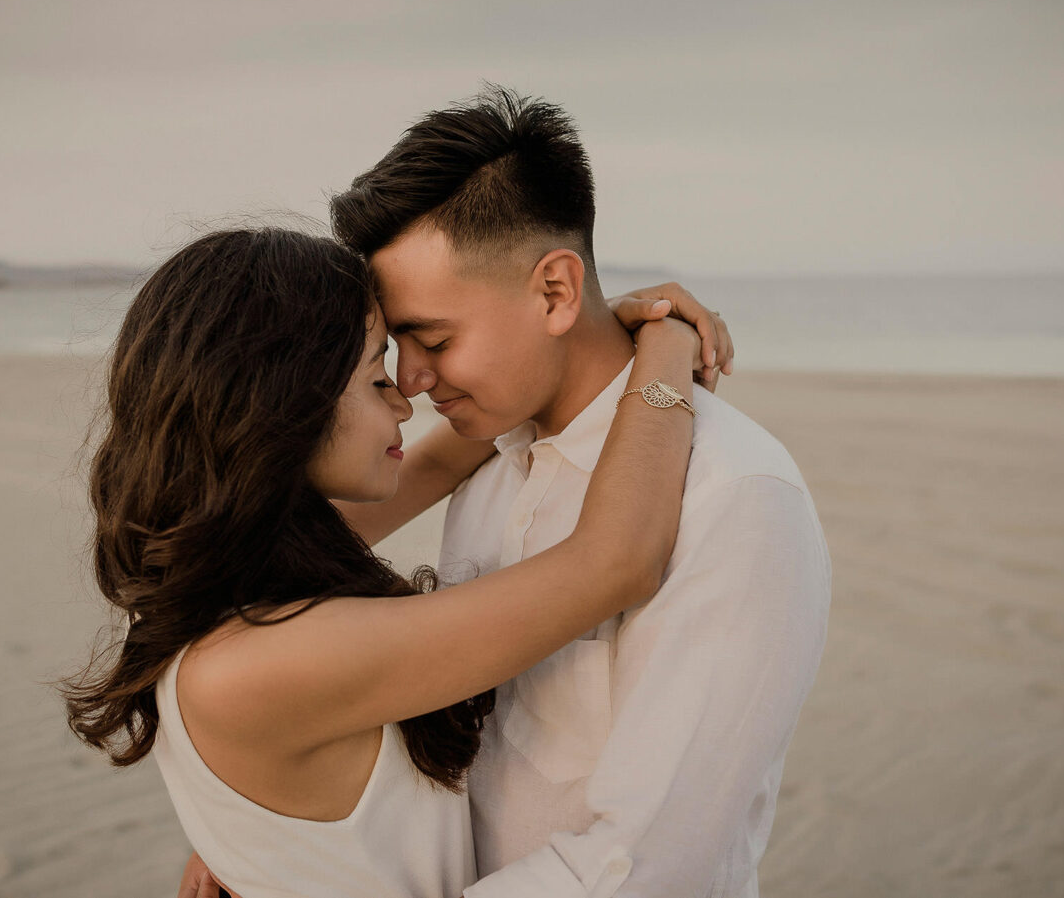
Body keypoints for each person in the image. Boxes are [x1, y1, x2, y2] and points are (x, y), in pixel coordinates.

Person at [186, 87, 830, 897]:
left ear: (557, 292)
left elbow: (653, 864)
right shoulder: (485, 460)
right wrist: (265, 830)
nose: (411, 382)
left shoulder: (733, 495)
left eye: (435, 338)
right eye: (396, 345)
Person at [66, 226, 716, 898]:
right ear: (286, 407)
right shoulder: (257, 663)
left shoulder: (217, 567)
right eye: (378, 375)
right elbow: (616, 561)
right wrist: (666, 344)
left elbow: (435, 462)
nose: (406, 400)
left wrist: (585, 341)